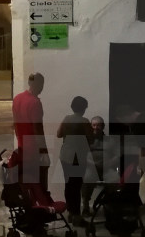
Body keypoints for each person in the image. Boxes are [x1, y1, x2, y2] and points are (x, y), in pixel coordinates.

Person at [56, 95, 94, 223]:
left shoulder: (66, 119)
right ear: (84, 108)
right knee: (77, 186)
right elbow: (91, 138)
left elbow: (58, 134)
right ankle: (77, 215)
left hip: (65, 156)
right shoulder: (85, 122)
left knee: (68, 184)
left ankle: (71, 212)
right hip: (78, 158)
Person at [12, 72, 48, 189]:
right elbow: (38, 129)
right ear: (39, 84)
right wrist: (44, 152)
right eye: (41, 84)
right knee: (40, 185)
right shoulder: (35, 103)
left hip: (22, 147)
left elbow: (15, 124)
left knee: (28, 184)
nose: (42, 87)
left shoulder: (17, 99)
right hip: (34, 149)